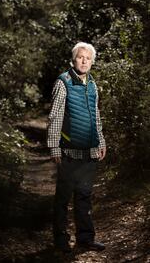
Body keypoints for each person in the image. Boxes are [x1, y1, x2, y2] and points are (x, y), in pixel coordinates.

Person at [47, 42, 107, 253]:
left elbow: (96, 117)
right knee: (63, 198)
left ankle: (85, 239)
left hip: (89, 153)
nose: (84, 61)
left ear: (92, 62)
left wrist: (101, 141)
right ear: (74, 60)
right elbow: (55, 116)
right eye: (80, 57)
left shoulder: (92, 85)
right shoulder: (63, 82)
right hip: (69, 153)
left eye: (88, 58)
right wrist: (54, 147)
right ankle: (61, 240)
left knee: (84, 197)